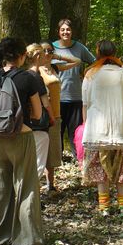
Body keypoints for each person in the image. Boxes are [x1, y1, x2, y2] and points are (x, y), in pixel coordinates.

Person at [0, 37, 44, 245]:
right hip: (20, 136)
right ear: (22, 55)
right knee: (25, 186)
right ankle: (26, 239)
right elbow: (37, 113)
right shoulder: (28, 78)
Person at [82, 40, 123, 216]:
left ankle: (104, 207)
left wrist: (85, 126)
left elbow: (86, 102)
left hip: (97, 130)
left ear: (97, 53)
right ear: (115, 53)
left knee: (100, 169)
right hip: (121, 129)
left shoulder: (91, 73)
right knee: (121, 167)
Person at [39, 41, 80, 191]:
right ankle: (35, 184)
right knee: (40, 152)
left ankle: (50, 184)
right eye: (45, 51)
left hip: (56, 115)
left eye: (50, 51)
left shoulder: (55, 68)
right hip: (41, 117)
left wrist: (56, 55)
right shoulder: (36, 70)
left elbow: (77, 61)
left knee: (53, 152)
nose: (48, 54)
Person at [51, 18, 95, 159]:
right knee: (57, 130)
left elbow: (94, 62)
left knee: (75, 130)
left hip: (76, 95)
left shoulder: (79, 47)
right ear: (58, 31)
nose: (66, 32)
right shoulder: (50, 48)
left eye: (68, 29)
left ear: (72, 31)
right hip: (56, 96)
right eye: (63, 29)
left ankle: (78, 158)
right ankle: (58, 157)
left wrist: (85, 73)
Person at [25, 44, 53, 181]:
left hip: (26, 125)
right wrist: (52, 118)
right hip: (39, 126)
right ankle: (32, 198)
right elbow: (45, 103)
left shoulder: (22, 75)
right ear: (37, 56)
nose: (45, 57)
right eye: (42, 54)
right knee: (38, 163)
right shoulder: (36, 77)